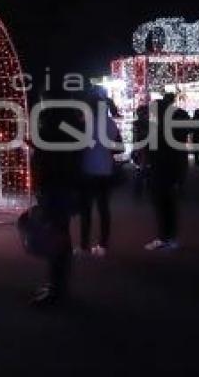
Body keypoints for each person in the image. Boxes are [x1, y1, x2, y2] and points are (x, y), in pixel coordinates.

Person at [29, 98, 81, 307]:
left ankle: (56, 289)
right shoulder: (70, 132)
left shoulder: (49, 134)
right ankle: (57, 285)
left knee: (55, 238)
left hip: (53, 190)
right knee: (61, 236)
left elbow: (44, 161)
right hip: (63, 189)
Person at [77, 91, 122, 257]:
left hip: (87, 169)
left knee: (86, 210)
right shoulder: (110, 123)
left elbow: (78, 145)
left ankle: (84, 246)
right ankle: (103, 244)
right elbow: (119, 147)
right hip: (105, 169)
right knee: (103, 208)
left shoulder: (85, 122)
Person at [145, 93, 189, 251]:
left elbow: (152, 148)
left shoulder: (159, 128)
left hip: (161, 168)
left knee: (162, 204)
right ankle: (171, 238)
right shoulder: (175, 122)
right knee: (169, 204)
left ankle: (164, 237)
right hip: (173, 168)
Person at [131, 104, 150, 200]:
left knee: (141, 169)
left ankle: (138, 191)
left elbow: (134, 138)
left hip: (141, 148)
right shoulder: (150, 124)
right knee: (144, 168)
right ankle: (143, 189)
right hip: (145, 148)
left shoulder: (136, 124)